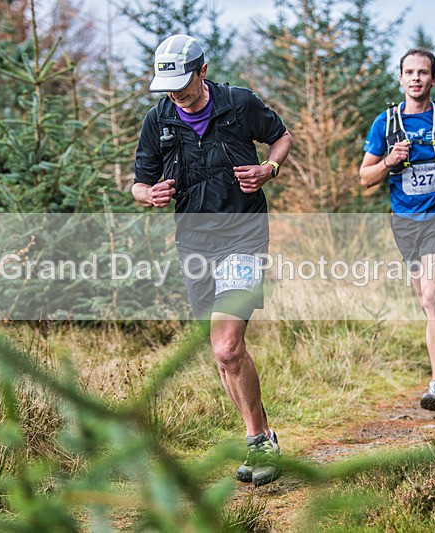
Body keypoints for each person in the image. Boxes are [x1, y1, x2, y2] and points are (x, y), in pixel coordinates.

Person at [132, 34, 293, 485]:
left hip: (242, 235)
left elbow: (281, 138)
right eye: (168, 88)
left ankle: (261, 442)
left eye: (183, 86)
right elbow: (139, 182)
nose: (176, 96)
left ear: (202, 71)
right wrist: (149, 194)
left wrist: (270, 169)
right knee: (224, 356)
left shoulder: (239, 104)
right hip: (194, 243)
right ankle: (260, 438)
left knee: (226, 345)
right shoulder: (158, 119)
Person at [359, 49, 435, 412]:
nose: (416, 78)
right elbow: (365, 177)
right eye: (409, 72)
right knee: (429, 303)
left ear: (433, 79)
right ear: (400, 79)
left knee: (430, 298)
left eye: (423, 72)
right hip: (405, 225)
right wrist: (389, 161)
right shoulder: (386, 123)